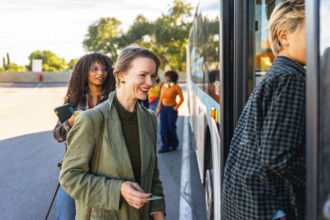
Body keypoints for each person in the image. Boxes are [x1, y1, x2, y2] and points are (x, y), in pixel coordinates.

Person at [221, 0, 306, 219]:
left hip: (250, 203)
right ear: (284, 35)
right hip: (271, 207)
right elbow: (278, 156)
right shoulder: (292, 78)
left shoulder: (278, 73)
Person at [59, 46, 166, 220]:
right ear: (121, 75)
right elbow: (70, 177)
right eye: (142, 75)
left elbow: (153, 174)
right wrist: (118, 189)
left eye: (153, 76)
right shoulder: (91, 119)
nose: (150, 83)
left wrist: (158, 211)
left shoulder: (150, 118)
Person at [53, 52, 116, 220]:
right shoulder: (72, 103)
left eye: (104, 69)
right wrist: (71, 123)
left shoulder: (115, 101)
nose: (100, 73)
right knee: (65, 216)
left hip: (104, 172)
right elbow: (58, 135)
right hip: (73, 169)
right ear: (83, 72)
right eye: (94, 68)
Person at [156, 70, 184, 153]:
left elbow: (182, 99)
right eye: (165, 76)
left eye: (167, 76)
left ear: (172, 77)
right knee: (163, 128)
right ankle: (165, 146)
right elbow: (161, 98)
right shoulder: (164, 86)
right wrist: (158, 108)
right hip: (163, 109)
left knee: (171, 127)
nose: (165, 77)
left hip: (172, 109)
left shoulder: (176, 87)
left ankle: (174, 143)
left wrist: (175, 107)